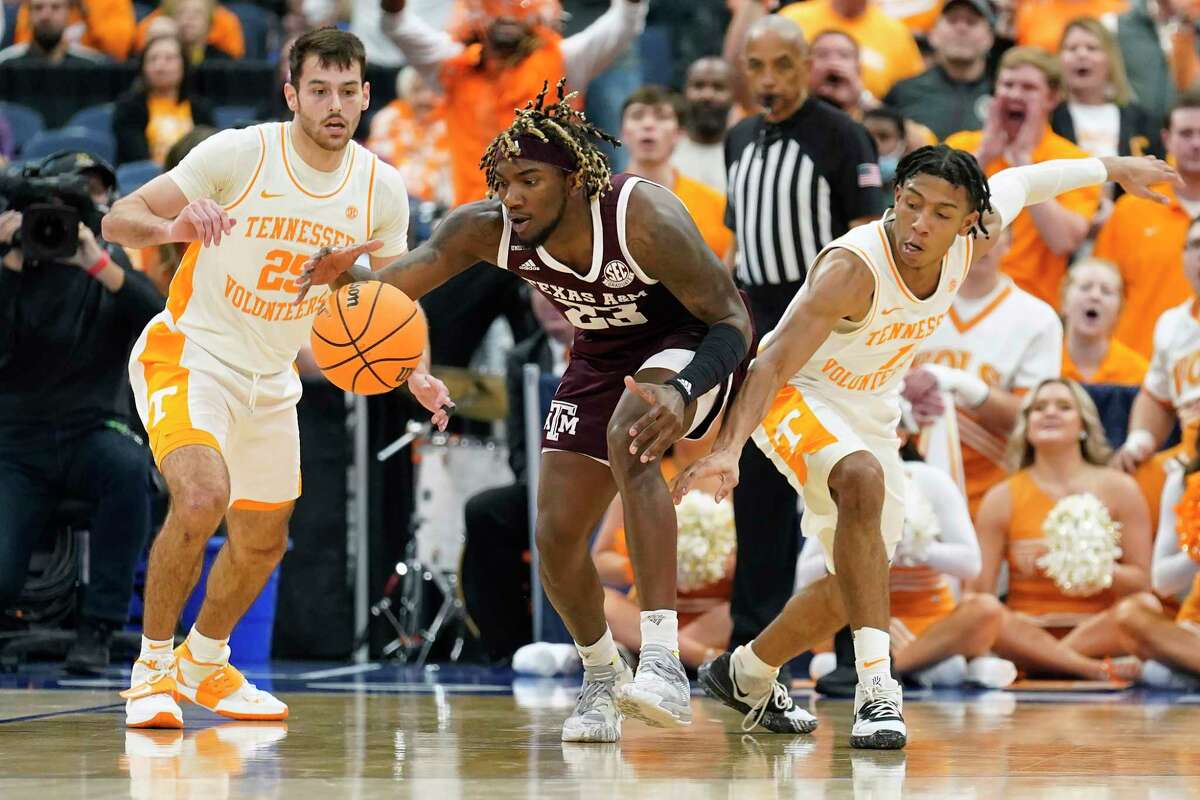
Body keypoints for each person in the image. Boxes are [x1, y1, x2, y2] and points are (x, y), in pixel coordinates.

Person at [299, 80, 765, 743]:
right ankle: (603, 675)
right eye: (503, 180)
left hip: (690, 344)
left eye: (528, 180)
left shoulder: (643, 217)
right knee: (552, 533)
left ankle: (662, 661)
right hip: (603, 353)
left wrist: (684, 388)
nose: (511, 196)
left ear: (574, 181)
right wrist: (344, 276)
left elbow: (730, 318)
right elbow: (394, 286)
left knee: (630, 435)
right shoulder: (487, 229)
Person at [671, 144, 1175, 748]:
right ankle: (877, 691)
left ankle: (746, 672)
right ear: (895, 196)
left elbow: (1023, 180)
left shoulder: (973, 242)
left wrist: (1114, 169)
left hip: (871, 406)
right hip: (795, 394)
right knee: (860, 478)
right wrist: (727, 450)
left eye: (940, 213)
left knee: (859, 580)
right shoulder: (853, 267)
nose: (919, 223)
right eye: (911, 204)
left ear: (970, 221)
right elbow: (772, 361)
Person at [100, 27, 449, 729]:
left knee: (263, 539)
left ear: (366, 96)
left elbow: (392, 296)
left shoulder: (380, 187)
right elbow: (119, 218)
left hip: (271, 375)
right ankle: (152, 670)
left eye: (348, 91)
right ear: (292, 93)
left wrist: (418, 372)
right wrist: (179, 228)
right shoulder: (242, 153)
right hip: (191, 352)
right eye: (319, 90)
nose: (334, 105)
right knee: (202, 498)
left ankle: (207, 663)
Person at [722, 15, 884, 671]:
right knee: (756, 496)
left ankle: (854, 654)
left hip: (827, 336)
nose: (768, 80)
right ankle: (754, 651)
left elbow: (869, 243)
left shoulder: (843, 136)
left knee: (837, 499)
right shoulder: (738, 139)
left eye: (782, 66)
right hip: (759, 331)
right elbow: (741, 242)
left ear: (808, 64)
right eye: (756, 66)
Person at [0, 151, 163, 675]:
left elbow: (160, 320)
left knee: (127, 467)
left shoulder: (108, 270)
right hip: (17, 442)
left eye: (90, 198)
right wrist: (7, 264)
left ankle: (99, 628)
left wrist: (98, 263)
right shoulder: (12, 265)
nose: (62, 222)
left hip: (91, 431)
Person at [972, 379, 1151, 679]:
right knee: (979, 611)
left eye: (1064, 407)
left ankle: (1045, 662)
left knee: (1145, 607)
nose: (1050, 413)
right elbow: (979, 594)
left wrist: (1090, 566)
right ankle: (1089, 670)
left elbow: (1141, 583)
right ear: (1026, 428)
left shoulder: (1121, 489)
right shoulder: (1001, 496)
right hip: (1025, 629)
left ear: (1084, 425)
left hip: (1101, 631)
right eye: (1038, 408)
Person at [797, 447, 1012, 688]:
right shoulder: (840, 478)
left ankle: (880, 670)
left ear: (904, 435)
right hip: (861, 622)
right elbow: (805, 573)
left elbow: (971, 564)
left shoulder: (931, 480)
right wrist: (861, 552)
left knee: (985, 610)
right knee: (949, 671)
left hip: (930, 623)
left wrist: (917, 549)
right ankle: (910, 668)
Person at [910, 225, 1063, 518]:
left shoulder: (1038, 318)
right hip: (905, 477)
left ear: (1010, 243)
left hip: (992, 492)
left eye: (992, 232)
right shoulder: (911, 302)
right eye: (969, 230)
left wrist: (962, 385)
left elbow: (1032, 417)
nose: (981, 241)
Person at [946, 47, 1102, 309]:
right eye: (1007, 85)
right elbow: (931, 211)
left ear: (1052, 97)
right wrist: (982, 158)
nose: (1015, 94)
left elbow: (1064, 241)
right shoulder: (962, 147)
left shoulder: (1073, 159)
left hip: (1032, 304)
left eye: (1028, 87)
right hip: (953, 297)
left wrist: (1023, 162)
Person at [592, 447, 734, 671]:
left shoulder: (734, 478)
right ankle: (701, 658)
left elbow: (758, 566)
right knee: (598, 601)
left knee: (740, 614)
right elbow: (599, 561)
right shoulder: (640, 478)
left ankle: (648, 654)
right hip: (646, 613)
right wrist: (645, 565)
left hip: (713, 615)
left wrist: (711, 563)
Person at [1093, 91, 1200, 359]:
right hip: (1138, 365)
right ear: (1166, 139)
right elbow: (1100, 288)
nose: (1197, 143)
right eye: (1186, 133)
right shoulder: (1131, 209)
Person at [1114, 461, 1200, 689]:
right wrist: (1196, 550)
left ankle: (1181, 674)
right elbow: (1162, 583)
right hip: (1194, 632)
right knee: (1130, 614)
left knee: (1155, 670)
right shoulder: (1185, 479)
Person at [620, 85, 732, 260]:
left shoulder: (715, 204)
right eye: (637, 115)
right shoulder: (598, 199)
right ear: (623, 133)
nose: (648, 124)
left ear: (679, 134)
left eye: (661, 116)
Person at [1052, 17, 1162, 163]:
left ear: (1110, 59)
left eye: (1092, 48)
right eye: (1072, 48)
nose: (1081, 54)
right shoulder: (1047, 118)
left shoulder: (1141, 121)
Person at [883, 0, 995, 141]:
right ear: (933, 34)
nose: (961, 28)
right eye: (952, 20)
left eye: (971, 22)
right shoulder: (903, 92)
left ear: (990, 37)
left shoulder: (1004, 95)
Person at [777, 0, 925, 100]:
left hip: (866, 128)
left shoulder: (896, 33)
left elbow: (911, 101)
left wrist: (862, 96)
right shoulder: (792, 18)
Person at [113, 34, 216, 166]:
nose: (160, 66)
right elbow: (136, 159)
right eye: (153, 59)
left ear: (184, 65)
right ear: (142, 67)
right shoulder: (128, 108)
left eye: (169, 58)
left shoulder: (201, 108)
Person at [366, 66, 454, 208]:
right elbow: (378, 166)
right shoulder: (388, 119)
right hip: (391, 202)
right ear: (405, 91)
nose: (425, 98)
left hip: (440, 207)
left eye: (432, 90)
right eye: (417, 90)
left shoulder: (451, 124)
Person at [1060, 258, 1148, 386]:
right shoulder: (1044, 363)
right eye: (1085, 287)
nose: (1095, 296)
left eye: (1106, 291)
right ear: (1064, 302)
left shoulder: (1139, 374)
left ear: (1119, 310)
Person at [671, 57, 734, 194]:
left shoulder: (744, 154)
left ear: (733, 95)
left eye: (718, 87)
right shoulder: (666, 154)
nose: (707, 95)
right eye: (699, 86)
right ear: (685, 92)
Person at [10, 0, 135, 62]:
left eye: (56, 8)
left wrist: (88, 8)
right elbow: (22, 48)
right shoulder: (40, 3)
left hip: (86, 73)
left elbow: (117, 53)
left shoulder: (108, 3)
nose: (46, 14)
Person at [0, 0, 107, 65]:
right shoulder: (6, 64)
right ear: (28, 14)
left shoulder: (90, 65)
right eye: (38, 8)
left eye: (56, 7)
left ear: (69, 13)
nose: (46, 16)